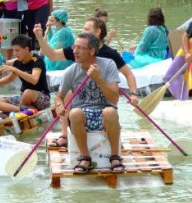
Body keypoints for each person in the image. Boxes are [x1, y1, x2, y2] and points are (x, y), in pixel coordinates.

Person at [34, 17, 139, 148]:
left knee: (110, 107)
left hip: (103, 93)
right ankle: (65, 134)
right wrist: (40, 38)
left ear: (98, 32)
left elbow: (128, 73)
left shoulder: (110, 54)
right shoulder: (78, 49)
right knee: (67, 94)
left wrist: (134, 94)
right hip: (81, 92)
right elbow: (53, 55)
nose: (76, 50)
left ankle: (112, 137)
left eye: (87, 29)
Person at [54, 33, 124, 173]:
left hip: (105, 111)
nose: (74, 51)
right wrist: (59, 106)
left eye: (80, 48)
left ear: (92, 51)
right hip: (82, 114)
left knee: (110, 112)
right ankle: (85, 157)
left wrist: (98, 79)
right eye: (74, 47)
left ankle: (115, 156)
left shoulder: (108, 65)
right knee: (74, 113)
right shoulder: (71, 71)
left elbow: (114, 99)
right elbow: (58, 97)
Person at [0, 35, 50, 115]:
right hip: (23, 98)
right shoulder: (18, 62)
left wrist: (15, 69)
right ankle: (19, 110)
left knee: (27, 93)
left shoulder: (37, 60)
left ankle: (13, 112)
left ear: (26, 49)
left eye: (17, 51)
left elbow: (34, 80)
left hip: (41, 97)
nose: (14, 53)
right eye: (13, 50)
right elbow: (10, 78)